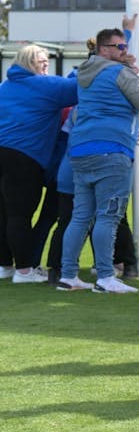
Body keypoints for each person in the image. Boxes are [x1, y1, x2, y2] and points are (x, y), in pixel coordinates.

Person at [59, 29, 139, 293]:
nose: (124, 51)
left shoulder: (84, 74)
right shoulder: (121, 74)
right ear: (104, 49)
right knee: (108, 216)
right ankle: (105, 277)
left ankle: (68, 275)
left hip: (81, 150)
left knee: (81, 216)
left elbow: (121, 113)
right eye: (119, 47)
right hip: (113, 151)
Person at [0, 44, 77, 283]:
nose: (46, 64)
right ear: (29, 63)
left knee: (4, 213)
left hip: (4, 153)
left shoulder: (5, 88)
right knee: (20, 215)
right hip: (25, 157)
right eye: (41, 61)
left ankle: (5, 266)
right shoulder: (46, 86)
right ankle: (24, 270)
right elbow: (85, 85)